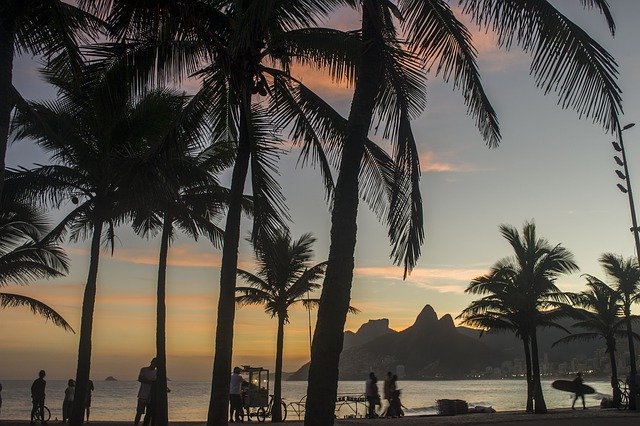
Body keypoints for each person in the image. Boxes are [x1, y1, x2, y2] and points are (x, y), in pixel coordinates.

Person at [134, 358, 157, 426]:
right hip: (142, 395)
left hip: (151, 396)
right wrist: (151, 382)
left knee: (149, 413)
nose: (154, 364)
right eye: (154, 362)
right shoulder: (144, 369)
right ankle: (136, 424)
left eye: (156, 363)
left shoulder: (157, 372)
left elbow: (158, 383)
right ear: (151, 362)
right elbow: (140, 379)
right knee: (139, 412)